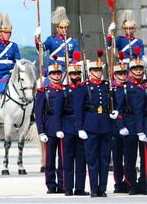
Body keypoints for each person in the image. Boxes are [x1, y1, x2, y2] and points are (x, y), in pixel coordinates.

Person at [74, 49, 115, 197]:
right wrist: (80, 127)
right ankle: (93, 189)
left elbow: (112, 104)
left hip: (105, 125)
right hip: (90, 126)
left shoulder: (106, 86)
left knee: (104, 160)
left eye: (99, 70)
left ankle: (102, 189)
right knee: (92, 161)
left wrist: (114, 112)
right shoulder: (83, 88)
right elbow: (78, 109)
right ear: (90, 72)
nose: (98, 73)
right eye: (95, 71)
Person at [53, 52, 89, 196]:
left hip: (82, 128)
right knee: (67, 160)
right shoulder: (63, 90)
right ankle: (68, 188)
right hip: (67, 127)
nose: (76, 76)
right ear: (69, 76)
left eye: (78, 74)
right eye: (73, 74)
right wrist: (58, 128)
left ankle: (79, 188)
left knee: (81, 160)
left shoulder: (84, 89)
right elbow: (58, 112)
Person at [115, 46, 145, 195]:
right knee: (130, 158)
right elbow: (119, 110)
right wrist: (121, 126)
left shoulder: (145, 86)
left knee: (145, 157)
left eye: (141, 69)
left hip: (145, 124)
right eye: (136, 69)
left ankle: (144, 182)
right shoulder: (125, 87)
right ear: (131, 71)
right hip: (130, 123)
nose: (139, 71)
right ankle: (131, 183)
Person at [35, 55, 64, 194]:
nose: (57, 76)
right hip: (49, 126)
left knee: (64, 158)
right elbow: (38, 113)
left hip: (63, 127)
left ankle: (63, 183)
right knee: (50, 159)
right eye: (54, 73)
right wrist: (41, 131)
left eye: (59, 73)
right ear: (49, 75)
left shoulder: (65, 90)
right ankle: (51, 184)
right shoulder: (43, 91)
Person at [34, 6, 80, 83]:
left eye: (65, 27)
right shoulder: (51, 39)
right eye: (61, 28)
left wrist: (72, 65)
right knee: (43, 84)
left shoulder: (73, 41)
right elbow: (42, 48)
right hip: (54, 68)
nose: (64, 29)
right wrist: (37, 38)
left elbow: (76, 55)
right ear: (57, 28)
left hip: (68, 68)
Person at [111, 52, 129, 193]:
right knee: (117, 158)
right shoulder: (111, 89)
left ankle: (129, 180)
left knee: (129, 157)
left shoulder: (130, 87)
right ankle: (118, 182)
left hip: (129, 126)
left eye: (125, 73)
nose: (123, 76)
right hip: (115, 128)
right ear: (115, 74)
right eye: (120, 73)